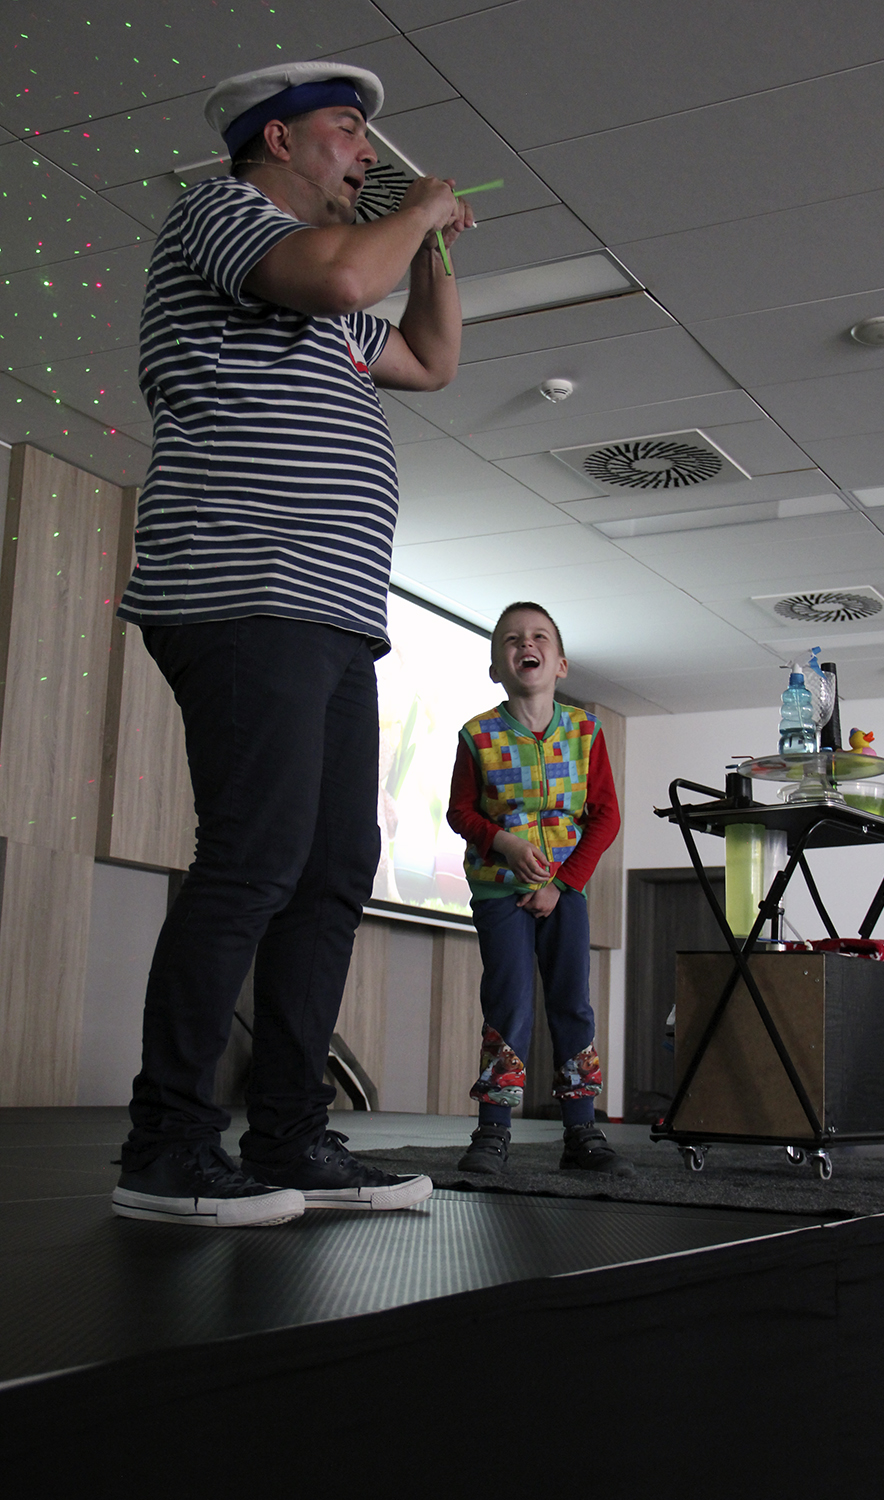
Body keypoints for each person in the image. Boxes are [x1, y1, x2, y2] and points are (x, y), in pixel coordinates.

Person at [111, 59, 474, 1228]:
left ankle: (289, 1138)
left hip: (329, 613)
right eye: (347, 130)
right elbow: (346, 273)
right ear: (275, 139)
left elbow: (431, 359)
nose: (366, 153)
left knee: (329, 873)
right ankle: (167, 1148)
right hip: (241, 589)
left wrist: (433, 247)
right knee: (254, 860)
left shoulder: (331, 292)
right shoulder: (220, 213)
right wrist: (420, 203)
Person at [446, 602, 634, 1176]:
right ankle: (493, 1131)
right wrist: (503, 843)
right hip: (498, 890)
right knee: (508, 1003)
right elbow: (460, 812)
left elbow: (605, 816)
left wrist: (563, 883)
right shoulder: (477, 734)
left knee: (571, 1003)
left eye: (538, 637)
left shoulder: (585, 731)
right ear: (495, 668)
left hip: (564, 893)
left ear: (561, 665)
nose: (525, 645)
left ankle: (581, 1131)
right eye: (511, 639)